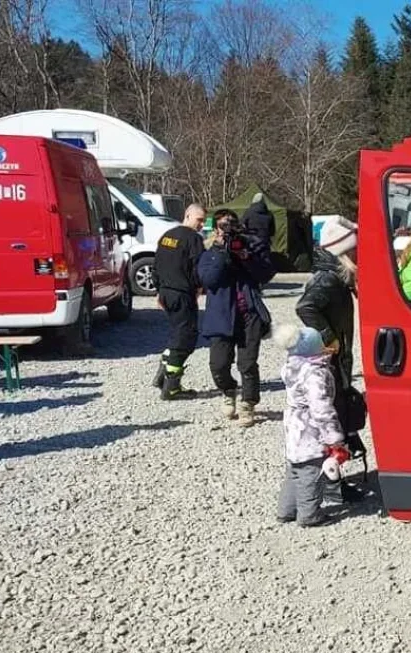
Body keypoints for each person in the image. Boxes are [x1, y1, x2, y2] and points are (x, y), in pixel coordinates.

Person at [273, 323, 363, 527]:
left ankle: (286, 511)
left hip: (294, 425)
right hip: (310, 429)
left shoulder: (292, 366)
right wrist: (334, 437)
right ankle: (309, 515)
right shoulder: (314, 373)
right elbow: (320, 408)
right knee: (311, 475)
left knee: (295, 470)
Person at [296, 216, 368, 461]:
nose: (359, 254)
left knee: (340, 411)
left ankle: (336, 477)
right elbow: (305, 307)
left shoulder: (337, 278)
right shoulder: (327, 280)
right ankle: (332, 483)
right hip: (329, 359)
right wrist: (329, 338)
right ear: (343, 251)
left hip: (336, 359)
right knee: (331, 415)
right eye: (355, 250)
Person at [198, 209, 276, 427]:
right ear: (215, 229)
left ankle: (248, 403)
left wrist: (246, 257)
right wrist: (222, 252)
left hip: (248, 314)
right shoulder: (209, 252)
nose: (228, 228)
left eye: (232, 224)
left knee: (248, 363)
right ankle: (228, 390)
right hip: (221, 315)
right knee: (218, 364)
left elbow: (266, 274)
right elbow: (209, 280)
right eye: (223, 225)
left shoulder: (249, 246)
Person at [150, 203, 207, 400]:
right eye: (199, 220)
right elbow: (199, 269)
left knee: (177, 332)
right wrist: (200, 288)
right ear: (187, 215)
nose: (201, 225)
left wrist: (159, 291)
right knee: (186, 338)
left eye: (203, 221)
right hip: (183, 294)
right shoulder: (194, 240)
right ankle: (172, 387)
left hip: (167, 292)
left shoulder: (167, 236)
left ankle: (162, 375)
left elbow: (156, 265)